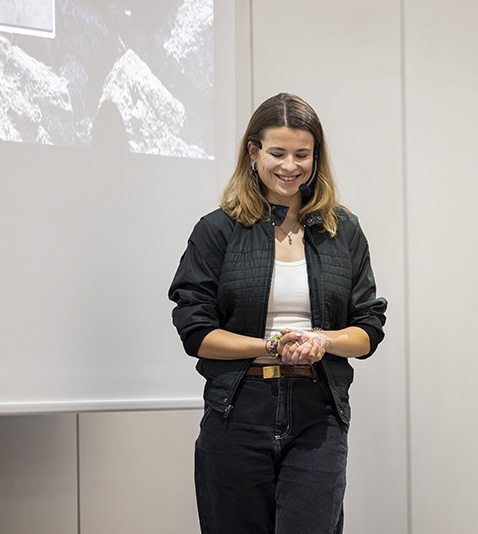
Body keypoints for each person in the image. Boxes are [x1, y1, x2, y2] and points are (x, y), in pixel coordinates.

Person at [168, 93, 387, 534]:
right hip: (237, 412)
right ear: (253, 152)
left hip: (318, 413)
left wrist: (322, 341)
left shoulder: (343, 231)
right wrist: (270, 346)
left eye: (302, 154)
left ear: (316, 157)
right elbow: (196, 331)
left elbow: (368, 328)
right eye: (278, 153)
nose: (290, 166)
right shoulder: (217, 230)